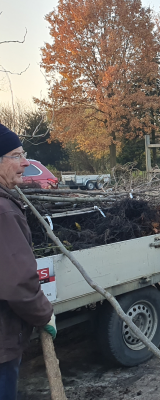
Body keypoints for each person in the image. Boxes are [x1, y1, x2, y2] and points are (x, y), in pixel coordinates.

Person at [0, 124, 56, 400]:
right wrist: (44, 313)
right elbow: (18, 283)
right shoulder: (3, 211)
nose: (25, 162)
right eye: (16, 155)